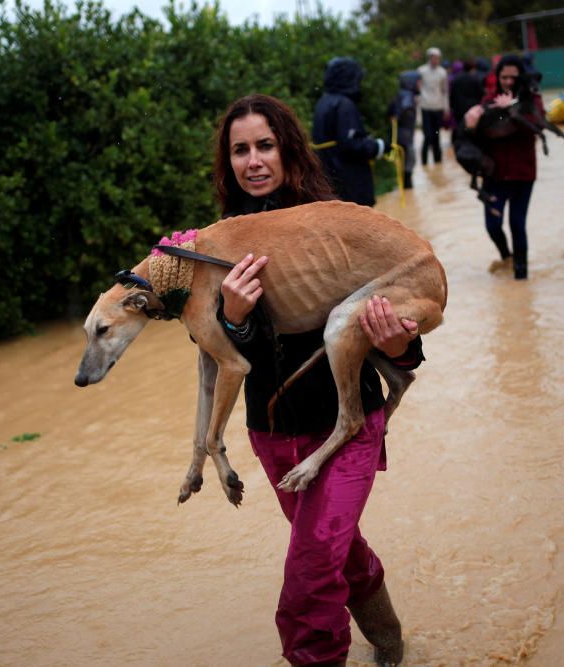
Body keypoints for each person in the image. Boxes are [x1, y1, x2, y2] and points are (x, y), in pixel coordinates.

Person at [213, 93, 424, 666]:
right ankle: (389, 641)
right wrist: (231, 316)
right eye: (240, 150)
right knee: (335, 551)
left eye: (265, 146)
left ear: (288, 150)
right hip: (273, 435)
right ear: (227, 162)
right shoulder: (217, 245)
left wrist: (397, 342)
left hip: (347, 430)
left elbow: (408, 350)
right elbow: (216, 356)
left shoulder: (338, 224)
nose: (253, 161)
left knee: (310, 568)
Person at [465, 54, 544, 280]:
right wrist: (471, 126)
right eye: (504, 77)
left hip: (522, 174)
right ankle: (506, 256)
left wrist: (511, 109)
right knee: (492, 225)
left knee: (517, 224)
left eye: (513, 77)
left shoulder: (532, 100)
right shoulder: (489, 101)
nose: (508, 81)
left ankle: (521, 278)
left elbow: (537, 126)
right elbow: (476, 138)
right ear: (497, 77)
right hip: (495, 175)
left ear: (521, 77)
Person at [313, 57, 390, 207]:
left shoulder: (323, 102)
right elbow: (351, 144)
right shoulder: (344, 104)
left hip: (331, 178)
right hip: (350, 180)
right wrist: (379, 146)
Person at [389, 70, 422, 189]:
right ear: (411, 82)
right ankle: (407, 187)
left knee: (403, 164)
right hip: (405, 136)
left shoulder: (401, 94)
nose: (420, 85)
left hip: (400, 135)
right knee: (408, 163)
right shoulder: (408, 98)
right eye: (419, 82)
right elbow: (402, 112)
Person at [417, 47, 450, 165]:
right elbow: (418, 89)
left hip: (438, 107)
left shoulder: (442, 72)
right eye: (433, 57)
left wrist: (446, 108)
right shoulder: (421, 71)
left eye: (437, 58)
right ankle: (424, 163)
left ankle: (438, 162)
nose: (435, 60)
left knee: (437, 136)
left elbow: (445, 91)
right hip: (425, 107)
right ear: (429, 58)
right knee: (427, 136)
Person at [450, 58, 485, 128]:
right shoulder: (475, 79)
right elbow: (481, 94)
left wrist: (452, 107)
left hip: (458, 109)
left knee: (459, 128)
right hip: (471, 109)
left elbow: (452, 94)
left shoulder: (456, 79)